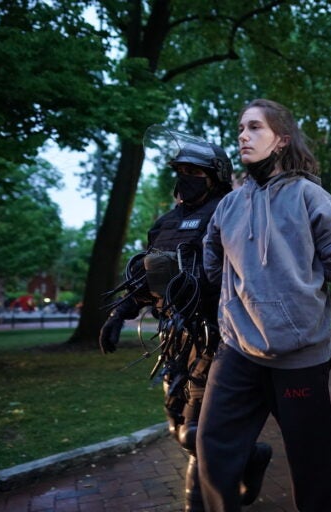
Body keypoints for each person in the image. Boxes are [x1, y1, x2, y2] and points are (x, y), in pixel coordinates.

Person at [198, 98, 331, 512]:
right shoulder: (229, 205)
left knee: (313, 471)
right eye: (240, 129)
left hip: (299, 356)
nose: (243, 137)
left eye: (255, 128)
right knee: (212, 452)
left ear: (281, 139)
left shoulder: (309, 196)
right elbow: (214, 266)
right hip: (238, 350)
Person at [97, 132, 271, 511]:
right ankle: (247, 456)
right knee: (178, 426)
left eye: (194, 171)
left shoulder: (231, 211)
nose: (184, 177)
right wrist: (119, 313)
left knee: (198, 431)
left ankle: (209, 493)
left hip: (218, 339)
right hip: (174, 339)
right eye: (180, 171)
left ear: (215, 175)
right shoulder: (164, 224)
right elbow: (148, 278)